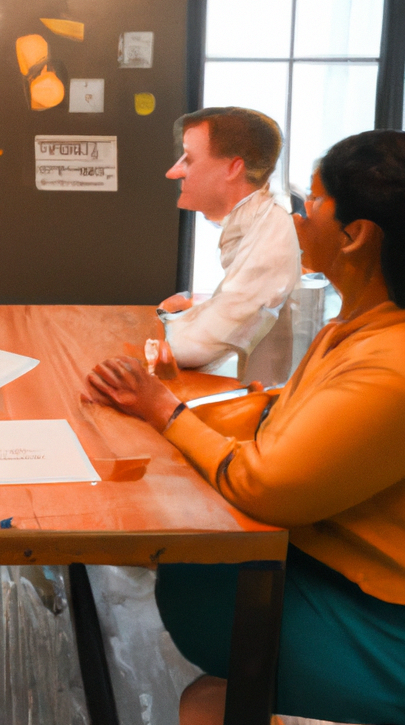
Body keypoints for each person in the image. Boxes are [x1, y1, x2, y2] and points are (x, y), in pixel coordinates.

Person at [87, 129, 405, 725]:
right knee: (208, 697)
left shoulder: (392, 359)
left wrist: (166, 411)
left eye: (313, 202)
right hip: (331, 565)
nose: (298, 216)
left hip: (383, 620)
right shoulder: (359, 324)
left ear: (356, 235)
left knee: (207, 701)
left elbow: (266, 484)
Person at [158, 107, 301, 372]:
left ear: (233, 168)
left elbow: (189, 349)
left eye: (189, 159)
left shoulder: (272, 233)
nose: (174, 172)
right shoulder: (249, 221)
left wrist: (168, 318)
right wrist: (189, 312)